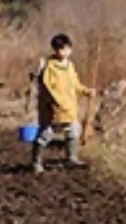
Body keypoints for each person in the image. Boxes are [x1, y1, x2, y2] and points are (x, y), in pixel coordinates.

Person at [31, 33, 96, 173]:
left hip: (70, 107)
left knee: (73, 131)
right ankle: (36, 162)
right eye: (61, 49)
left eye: (67, 49)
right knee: (46, 135)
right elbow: (48, 87)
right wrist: (57, 101)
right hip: (53, 109)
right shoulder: (50, 67)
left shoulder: (70, 66)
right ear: (56, 50)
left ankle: (71, 158)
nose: (64, 52)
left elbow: (75, 84)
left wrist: (86, 91)